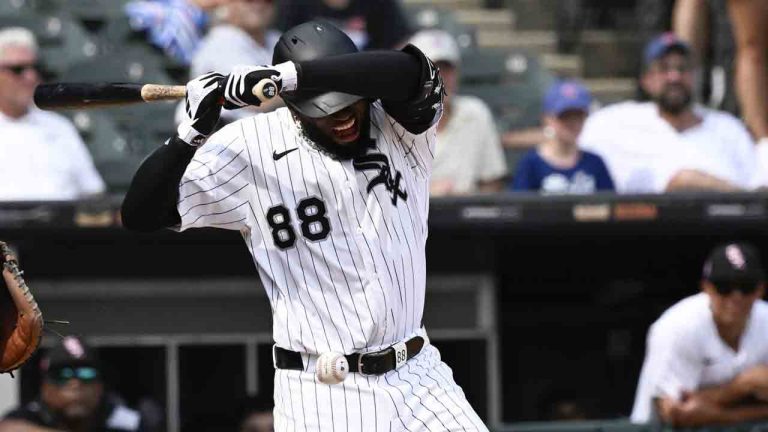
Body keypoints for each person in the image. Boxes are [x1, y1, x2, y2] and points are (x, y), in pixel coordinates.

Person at [121, 20, 487, 430]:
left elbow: (410, 71)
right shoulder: (250, 146)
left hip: (418, 373)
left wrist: (289, 77)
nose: (343, 117)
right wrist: (188, 136)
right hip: (321, 390)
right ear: (293, 108)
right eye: (324, 110)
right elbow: (140, 215)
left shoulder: (400, 124)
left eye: (350, 103)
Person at [579, 32, 759, 193]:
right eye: (664, 69)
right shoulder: (615, 123)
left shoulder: (727, 128)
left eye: (682, 69)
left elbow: (757, 188)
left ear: (695, 76)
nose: (674, 77)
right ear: (646, 80)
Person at [631, 242, 768, 427]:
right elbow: (673, 413)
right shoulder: (678, 327)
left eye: (746, 287)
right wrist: (740, 388)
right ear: (707, 287)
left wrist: (715, 408)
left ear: (760, 289)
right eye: (724, 287)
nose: (736, 297)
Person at [0, 27, 105, 201]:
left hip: (60, 225)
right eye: (18, 69)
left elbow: (92, 191)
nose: (31, 77)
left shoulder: (59, 127)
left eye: (35, 68)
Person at [409, 29, 507, 196]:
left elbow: (492, 182)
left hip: (466, 217)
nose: (440, 78)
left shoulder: (476, 113)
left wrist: (468, 207)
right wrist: (429, 194)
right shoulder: (394, 121)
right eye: (432, 70)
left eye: (446, 70)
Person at [0, 335, 144, 432]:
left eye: (86, 374)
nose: (75, 384)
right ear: (45, 388)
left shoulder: (124, 419)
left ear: (100, 387)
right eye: (63, 375)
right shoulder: (27, 416)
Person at [512, 79, 613, 194]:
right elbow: (519, 208)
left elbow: (610, 205)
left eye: (578, 117)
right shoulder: (531, 164)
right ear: (548, 119)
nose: (573, 123)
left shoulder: (595, 163)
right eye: (565, 117)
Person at [189, 0, 282, 122]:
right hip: (227, 132)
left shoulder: (276, 38)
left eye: (267, 1)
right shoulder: (222, 40)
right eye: (249, 1)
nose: (259, 4)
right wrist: (302, 89)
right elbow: (255, 98)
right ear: (229, 4)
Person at [276, 0, 412, 50]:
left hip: (369, 81)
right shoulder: (296, 5)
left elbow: (399, 43)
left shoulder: (379, 4)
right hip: (313, 84)